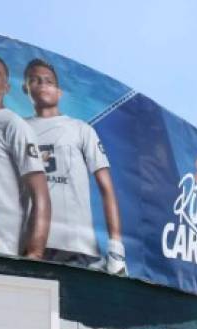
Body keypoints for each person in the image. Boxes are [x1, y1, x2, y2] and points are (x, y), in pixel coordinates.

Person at [22, 58, 126, 274]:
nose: (42, 84)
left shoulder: (80, 129)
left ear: (59, 92)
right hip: (30, 246)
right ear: (26, 88)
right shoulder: (18, 128)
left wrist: (116, 248)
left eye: (48, 81)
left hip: (78, 247)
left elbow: (106, 188)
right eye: (35, 80)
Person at [0, 51, 50, 258]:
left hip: (4, 249)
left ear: (6, 87)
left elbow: (40, 195)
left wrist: (34, 254)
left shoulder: (12, 124)